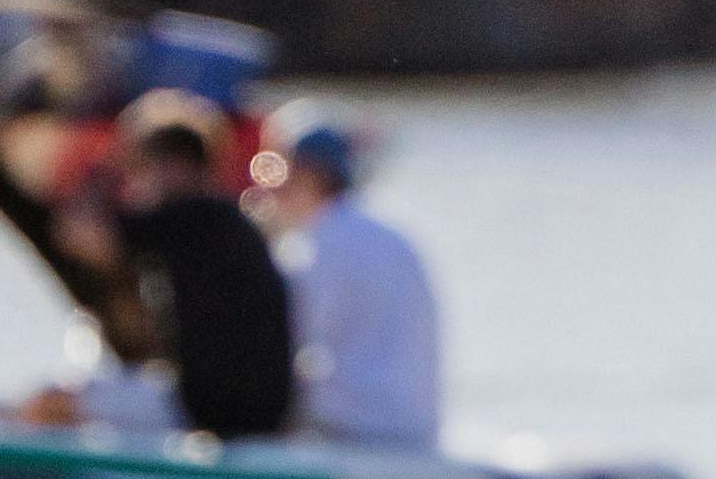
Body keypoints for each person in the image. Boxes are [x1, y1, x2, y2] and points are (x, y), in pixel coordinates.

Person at [80, 99, 294, 440]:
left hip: (212, 410)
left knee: (54, 403)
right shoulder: (226, 220)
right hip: (258, 410)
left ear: (171, 166)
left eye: (137, 168)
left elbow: (85, 236)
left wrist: (101, 171)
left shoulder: (186, 216)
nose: (134, 185)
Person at [257, 111, 445, 446]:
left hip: (356, 427)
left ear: (310, 175)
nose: (267, 187)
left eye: (277, 171)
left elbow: (284, 342)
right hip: (418, 424)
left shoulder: (314, 247)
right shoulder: (391, 237)